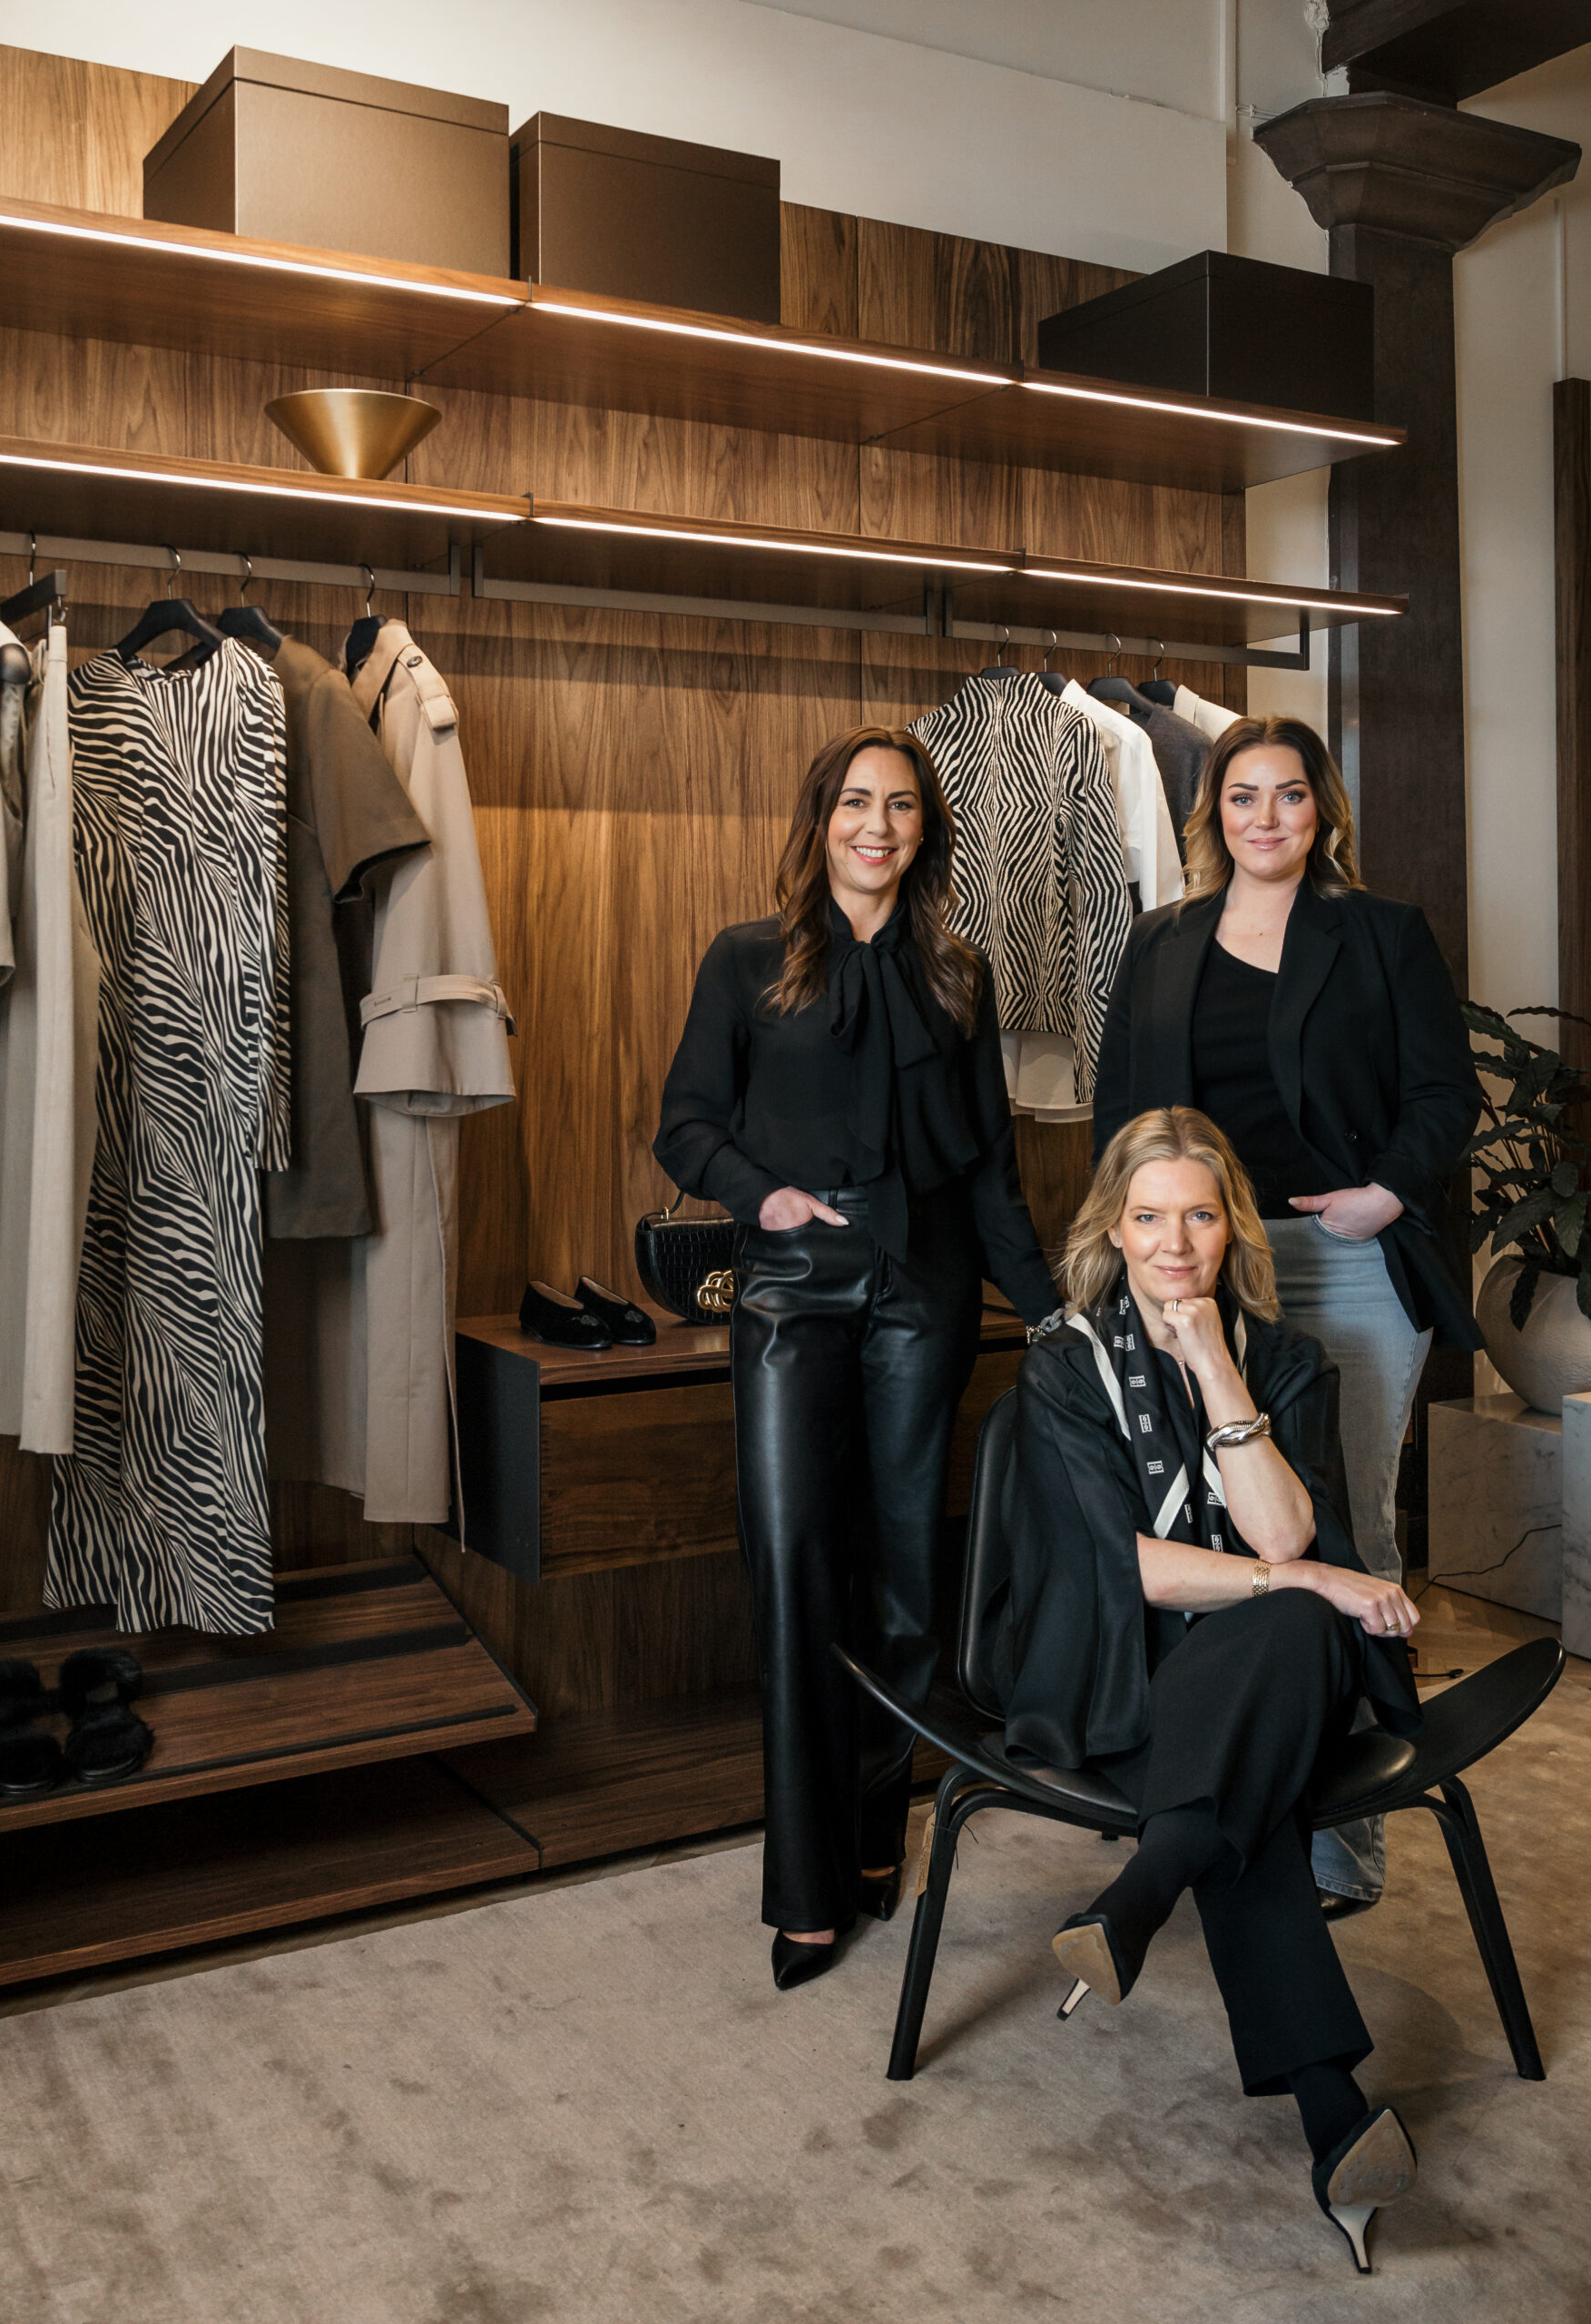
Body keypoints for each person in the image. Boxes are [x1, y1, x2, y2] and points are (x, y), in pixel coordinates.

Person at [655, 724, 1061, 1991]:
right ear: (820, 819)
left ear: (925, 829)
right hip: (792, 1289)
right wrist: (763, 1199)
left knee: (902, 1576)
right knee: (792, 1567)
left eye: (900, 806)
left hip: (924, 1292)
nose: (877, 825)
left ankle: (879, 1832)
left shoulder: (960, 975)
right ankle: (806, 1885)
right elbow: (685, 1125)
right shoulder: (747, 960)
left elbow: (990, 1172)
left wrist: (1055, 1312)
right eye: (855, 803)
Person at [994, 1106, 1424, 2272]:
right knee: (1275, 1697)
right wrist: (1310, 1576)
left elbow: (1281, 1526)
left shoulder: (1283, 1360)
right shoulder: (1064, 1366)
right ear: (1113, 1230)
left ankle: (1144, 1888)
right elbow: (1122, 1569)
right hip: (1122, 1667)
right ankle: (1334, 2118)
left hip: (1254, 1672)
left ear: (1234, 1228)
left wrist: (1217, 1369)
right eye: (1149, 1218)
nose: (1174, 1244)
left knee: (1291, 1630)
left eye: (1199, 1216)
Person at [1092, 714, 1479, 1912]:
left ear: (1323, 810)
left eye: (1291, 794)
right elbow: (1121, 1117)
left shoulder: (1381, 933)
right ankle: (1208, 1801)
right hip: (1198, 1265)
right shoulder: (1160, 940)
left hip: (1340, 1255)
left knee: (1345, 1533)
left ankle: (1344, 1848)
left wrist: (1386, 1193)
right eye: (1243, 795)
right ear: (1212, 812)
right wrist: (1134, 1261)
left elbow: (1444, 1093)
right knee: (1216, 1540)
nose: (1267, 817)